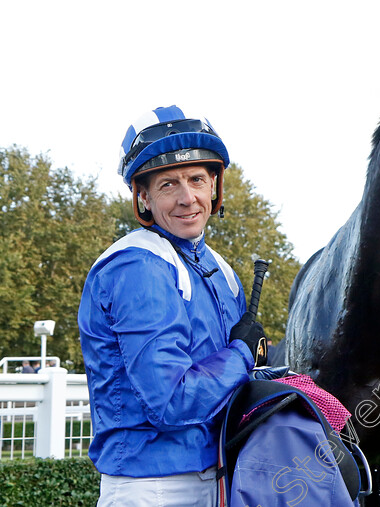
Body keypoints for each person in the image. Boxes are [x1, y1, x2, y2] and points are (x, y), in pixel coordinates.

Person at [78, 105, 267, 506]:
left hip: (215, 479)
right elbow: (171, 401)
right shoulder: (137, 265)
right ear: (143, 196)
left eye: (197, 179)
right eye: (168, 185)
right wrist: (243, 354)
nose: (187, 198)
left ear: (214, 186)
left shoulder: (221, 269)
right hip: (153, 488)